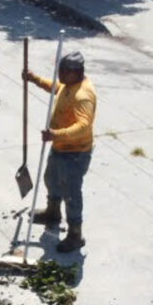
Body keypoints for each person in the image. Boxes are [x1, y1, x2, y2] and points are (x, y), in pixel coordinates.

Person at [22, 51, 97, 253]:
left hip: (75, 153)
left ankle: (75, 235)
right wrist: (35, 79)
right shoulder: (68, 84)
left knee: (71, 193)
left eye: (63, 72)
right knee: (51, 179)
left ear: (75, 72)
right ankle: (52, 213)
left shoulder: (83, 96)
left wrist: (56, 134)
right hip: (60, 147)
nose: (59, 76)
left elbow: (83, 126)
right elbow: (56, 88)